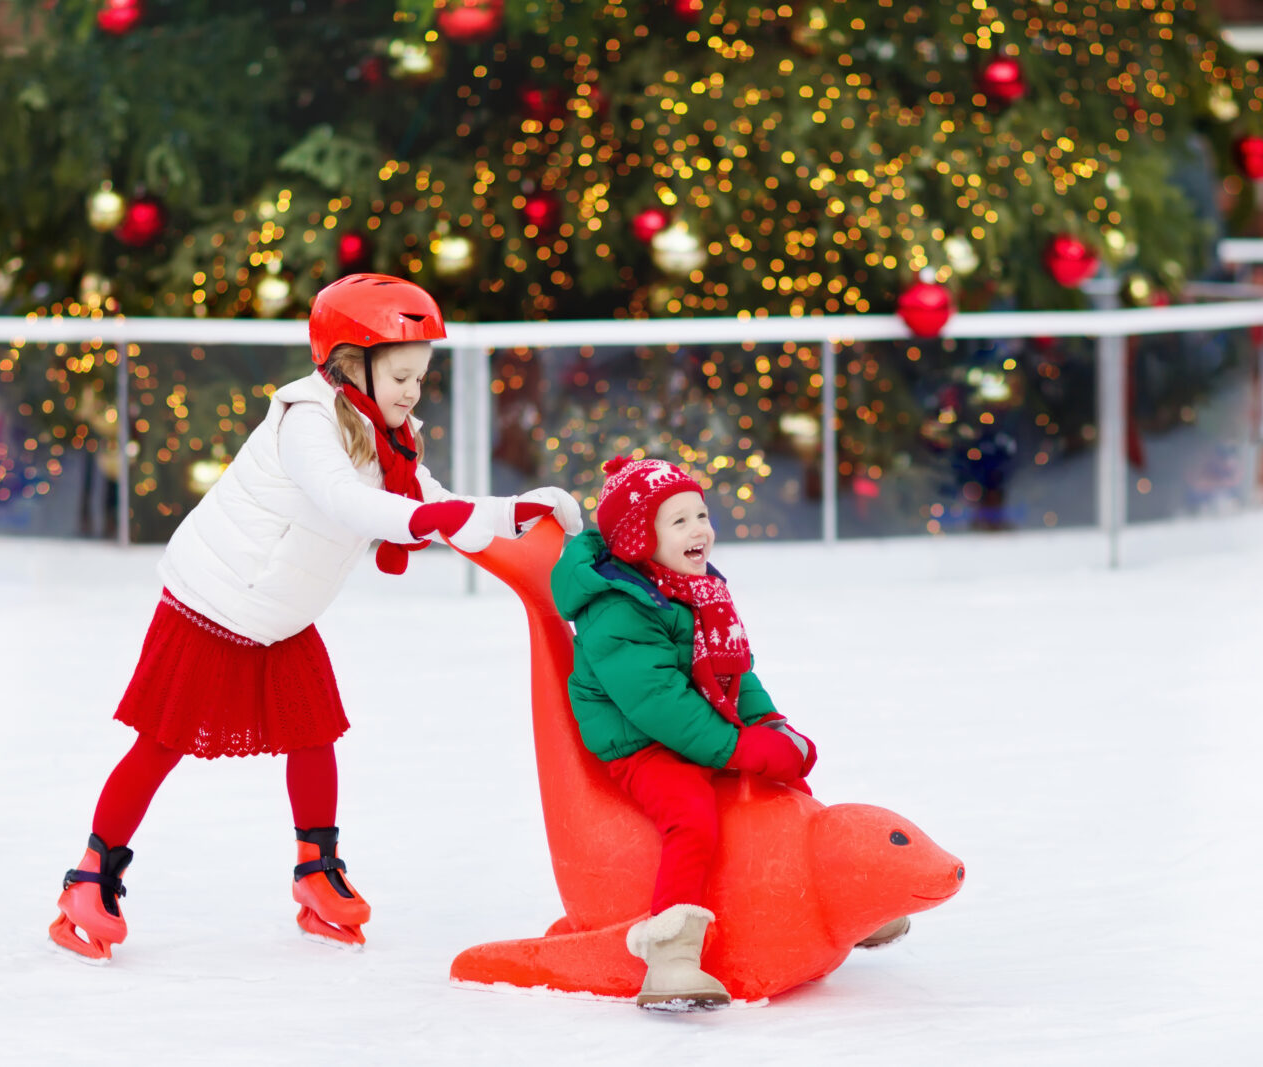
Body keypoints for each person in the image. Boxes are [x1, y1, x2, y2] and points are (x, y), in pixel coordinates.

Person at [49, 274, 583, 962]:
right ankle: (91, 877)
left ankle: (315, 872)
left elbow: (435, 502)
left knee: (314, 732)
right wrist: (447, 516)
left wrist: (517, 511)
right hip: (214, 599)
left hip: (280, 610)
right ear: (350, 362)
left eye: (420, 377)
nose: (412, 392)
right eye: (400, 375)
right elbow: (348, 504)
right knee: (162, 741)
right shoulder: (308, 421)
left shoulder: (391, 436)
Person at [549, 456, 819, 1011]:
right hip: (640, 744)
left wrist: (772, 728)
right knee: (692, 813)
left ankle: (832, 897)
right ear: (637, 539)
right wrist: (737, 748)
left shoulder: (699, 589)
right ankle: (671, 958)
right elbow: (657, 704)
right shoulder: (617, 607)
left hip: (695, 728)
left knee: (783, 788)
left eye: (701, 514)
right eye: (679, 522)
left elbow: (734, 672)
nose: (700, 529)